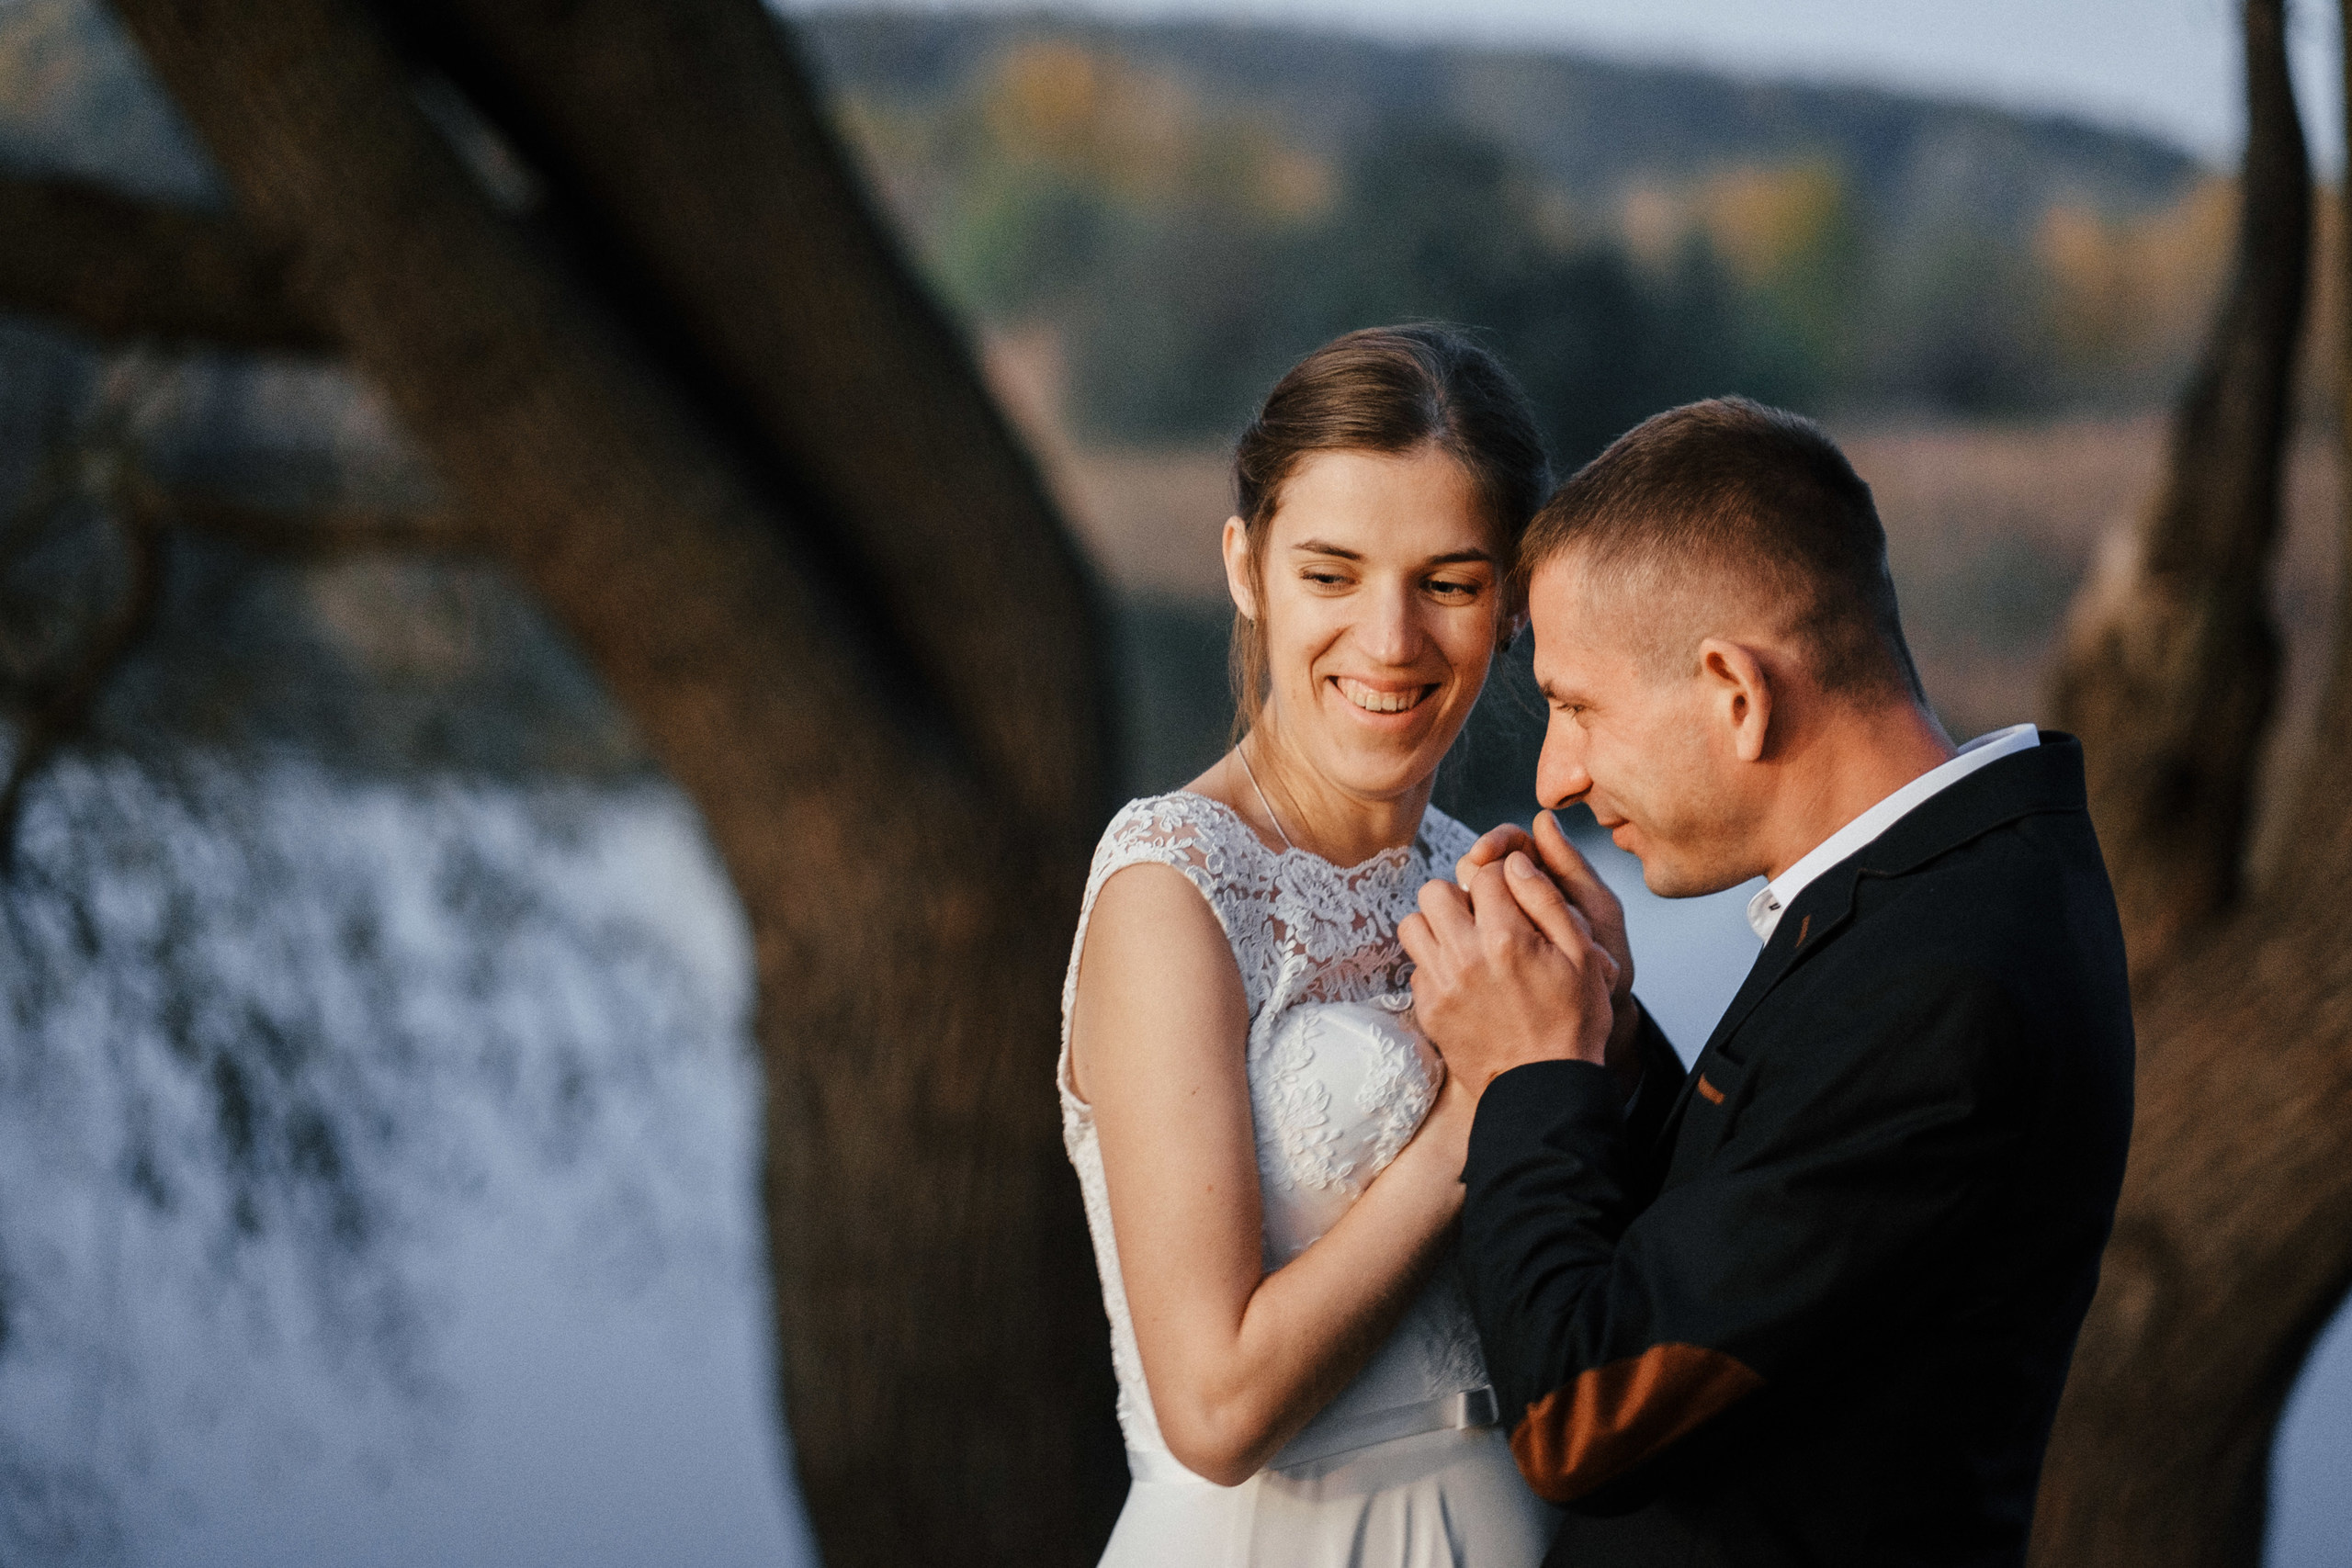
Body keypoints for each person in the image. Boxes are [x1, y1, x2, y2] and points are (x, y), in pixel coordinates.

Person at [1400, 397, 2134, 1566]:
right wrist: (1605, 1044)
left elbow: (1583, 1421)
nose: (1555, 778)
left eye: (1577, 707)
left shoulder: (1946, 978)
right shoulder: (1946, 889)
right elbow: (1766, 1238)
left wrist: (1527, 1071)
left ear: (1735, 695)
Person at [1058, 324, 1563, 1565]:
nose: (1390, 640)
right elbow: (1216, 1407)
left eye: (1448, 581)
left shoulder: (1486, 882)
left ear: (1509, 606)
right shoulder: (1172, 890)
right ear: (1247, 568)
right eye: (1330, 574)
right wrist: (1480, 1109)